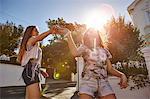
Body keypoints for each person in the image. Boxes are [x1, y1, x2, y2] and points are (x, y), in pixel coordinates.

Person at [60, 28, 128, 99]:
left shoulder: (104, 50)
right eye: (89, 32)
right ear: (86, 36)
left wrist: (122, 75)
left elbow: (110, 69)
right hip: (88, 82)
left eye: (93, 32)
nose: (92, 33)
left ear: (98, 35)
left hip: (103, 82)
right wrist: (68, 34)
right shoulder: (84, 47)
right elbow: (75, 53)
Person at [17, 25, 60, 99]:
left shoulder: (35, 45)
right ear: (30, 33)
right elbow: (39, 38)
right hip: (30, 72)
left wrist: (40, 71)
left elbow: (33, 60)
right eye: (35, 30)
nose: (37, 32)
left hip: (31, 71)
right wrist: (50, 31)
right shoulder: (31, 40)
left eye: (38, 30)